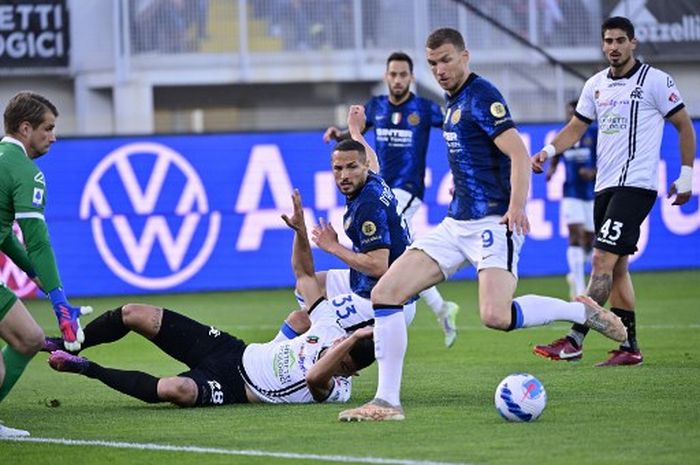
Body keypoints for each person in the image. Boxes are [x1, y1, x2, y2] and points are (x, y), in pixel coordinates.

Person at [337, 27, 627, 422]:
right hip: (456, 223)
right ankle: (387, 403)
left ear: (464, 56)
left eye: (445, 60)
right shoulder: (450, 101)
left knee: (496, 316)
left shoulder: (481, 96)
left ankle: (579, 312)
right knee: (386, 293)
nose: (438, 70)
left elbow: (519, 155)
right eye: (432, 63)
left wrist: (517, 206)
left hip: (494, 221)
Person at [46, 190, 376, 406]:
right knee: (135, 313)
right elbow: (305, 277)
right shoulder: (332, 327)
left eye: (345, 363)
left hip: (235, 387)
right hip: (233, 350)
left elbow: (314, 377)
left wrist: (351, 341)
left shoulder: (338, 390)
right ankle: (70, 343)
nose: (337, 356)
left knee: (177, 390)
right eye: (341, 348)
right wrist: (300, 232)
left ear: (352, 372)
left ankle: (86, 367)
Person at [531, 16, 696, 366]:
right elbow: (576, 127)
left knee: (600, 261)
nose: (614, 47)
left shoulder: (655, 81)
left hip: (636, 186)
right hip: (604, 187)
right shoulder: (595, 85)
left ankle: (575, 339)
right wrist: (548, 151)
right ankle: (629, 348)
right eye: (608, 41)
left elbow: (683, 125)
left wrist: (686, 175)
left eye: (621, 40)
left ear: (633, 43)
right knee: (617, 269)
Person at [324, 52, 460, 347]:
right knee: (406, 252)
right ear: (386, 77)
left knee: (399, 251)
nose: (398, 79)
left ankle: (407, 300)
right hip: (378, 182)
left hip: (406, 189)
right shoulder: (376, 107)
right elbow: (356, 139)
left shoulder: (424, 108)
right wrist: (340, 133)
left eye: (403, 75)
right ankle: (438, 307)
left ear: (411, 78)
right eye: (393, 74)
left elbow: (455, 125)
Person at [0, 91, 92, 437]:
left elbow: (5, 234)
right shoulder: (25, 171)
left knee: (28, 337)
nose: (53, 136)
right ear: (25, 128)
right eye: (48, 128)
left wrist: (34, 274)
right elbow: (37, 239)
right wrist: (60, 303)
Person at [295, 106, 419, 340]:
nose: (344, 176)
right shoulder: (372, 178)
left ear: (361, 167)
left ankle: (333, 362)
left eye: (351, 167)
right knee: (308, 286)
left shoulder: (367, 205)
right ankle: (330, 348)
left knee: (302, 320)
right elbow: (372, 160)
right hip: (371, 283)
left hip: (387, 297)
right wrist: (354, 131)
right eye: (338, 169)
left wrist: (332, 246)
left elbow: (378, 266)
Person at [545, 100, 597, 300]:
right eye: (568, 113)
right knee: (574, 235)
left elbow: (607, 159)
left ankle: (574, 276)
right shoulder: (564, 135)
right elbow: (557, 154)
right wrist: (552, 169)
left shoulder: (593, 133)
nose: (570, 117)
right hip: (571, 192)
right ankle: (580, 289)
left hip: (592, 193)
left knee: (589, 240)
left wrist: (593, 172)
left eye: (573, 113)